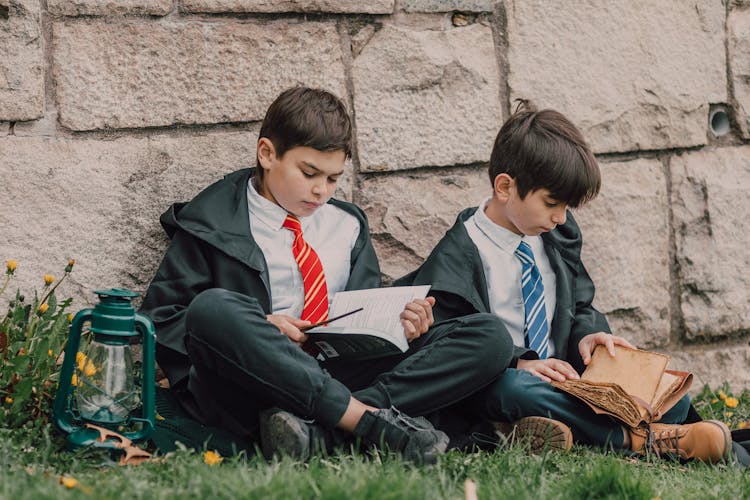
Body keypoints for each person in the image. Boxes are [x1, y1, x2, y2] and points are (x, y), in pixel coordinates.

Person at [140, 86, 515, 463]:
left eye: (333, 179)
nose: (321, 191)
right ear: (267, 154)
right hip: (255, 379)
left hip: (338, 372)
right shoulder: (212, 221)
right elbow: (163, 318)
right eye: (309, 173)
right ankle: (370, 425)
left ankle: (324, 433)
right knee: (214, 308)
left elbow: (361, 317)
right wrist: (264, 324)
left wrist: (400, 325)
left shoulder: (347, 224)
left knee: (489, 335)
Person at [396, 103, 732, 463]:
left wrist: (589, 335)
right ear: (505, 187)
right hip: (504, 382)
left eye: (566, 207)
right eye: (552, 203)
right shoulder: (457, 258)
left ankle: (564, 430)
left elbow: (580, 305)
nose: (559, 217)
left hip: (569, 377)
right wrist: (516, 362)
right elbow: (450, 347)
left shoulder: (556, 234)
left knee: (672, 397)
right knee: (514, 390)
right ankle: (641, 440)